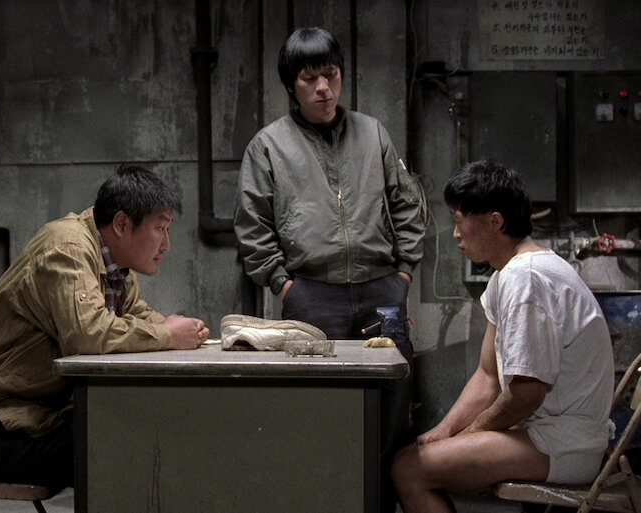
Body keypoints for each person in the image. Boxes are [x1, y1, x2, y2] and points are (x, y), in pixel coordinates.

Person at [232, 26, 425, 511]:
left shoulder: (372, 133)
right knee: (313, 410)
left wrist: (403, 271)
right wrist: (283, 284)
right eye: (310, 79)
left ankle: (380, 504)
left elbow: (406, 203)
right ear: (291, 85)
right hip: (311, 296)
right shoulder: (269, 145)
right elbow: (252, 225)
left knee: (391, 407)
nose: (323, 88)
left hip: (383, 292)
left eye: (331, 75)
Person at [0, 164, 209, 492]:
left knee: (142, 422)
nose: (166, 245)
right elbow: (88, 335)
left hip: (36, 417)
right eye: (160, 229)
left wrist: (189, 333)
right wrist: (169, 335)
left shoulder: (116, 266)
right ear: (122, 224)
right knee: (127, 441)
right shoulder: (67, 249)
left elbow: (139, 316)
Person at [391, 159, 615, 513]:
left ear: (495, 222)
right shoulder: (507, 275)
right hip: (546, 432)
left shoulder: (526, 278)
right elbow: (488, 375)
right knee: (416, 456)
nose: (455, 233)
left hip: (565, 442)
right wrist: (445, 431)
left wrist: (472, 434)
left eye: (460, 220)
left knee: (409, 470)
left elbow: (526, 393)